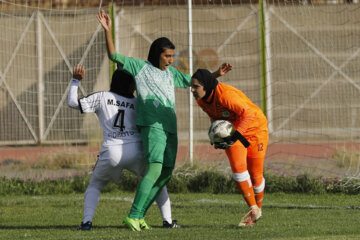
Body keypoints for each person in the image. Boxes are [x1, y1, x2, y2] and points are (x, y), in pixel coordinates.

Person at [97, 10, 232, 231]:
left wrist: (216, 73)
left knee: (166, 172)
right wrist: (107, 31)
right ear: (157, 54)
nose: (171, 60)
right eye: (167, 56)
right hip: (152, 126)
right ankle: (133, 215)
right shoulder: (140, 68)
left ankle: (139, 215)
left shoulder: (172, 74)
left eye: (172, 56)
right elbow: (114, 56)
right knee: (154, 169)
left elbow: (194, 82)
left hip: (170, 127)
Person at [68, 64, 179, 230]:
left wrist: (75, 80)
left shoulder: (102, 97)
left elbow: (72, 103)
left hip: (111, 150)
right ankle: (168, 222)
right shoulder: (138, 103)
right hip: (137, 151)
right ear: (131, 84)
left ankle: (86, 223)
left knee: (95, 186)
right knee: (156, 182)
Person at [190, 69, 268, 227]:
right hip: (234, 130)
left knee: (255, 175)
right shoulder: (201, 100)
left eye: (195, 87)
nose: (192, 90)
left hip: (256, 128)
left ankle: (257, 210)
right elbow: (215, 117)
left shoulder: (225, 95)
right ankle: (253, 210)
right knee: (238, 169)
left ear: (206, 86)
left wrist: (236, 135)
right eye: (191, 87)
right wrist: (217, 133)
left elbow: (248, 114)